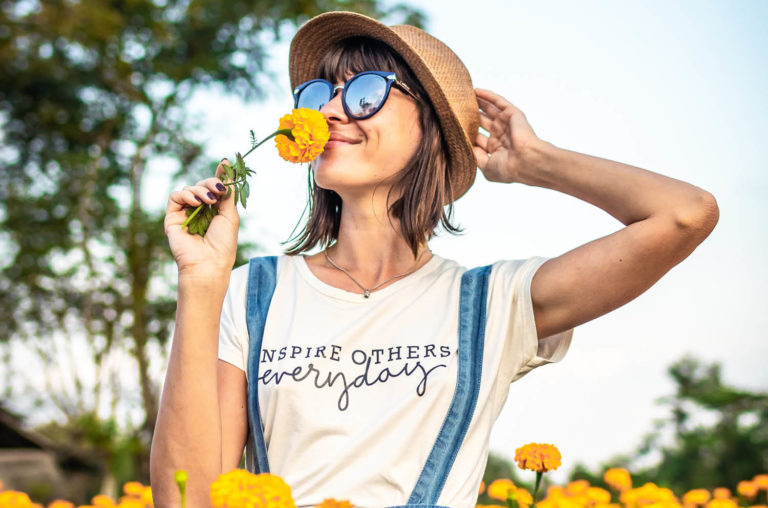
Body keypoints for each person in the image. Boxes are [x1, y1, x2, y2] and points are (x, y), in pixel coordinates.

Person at [150, 10, 719, 508]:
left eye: (365, 92)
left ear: (432, 130)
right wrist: (200, 280)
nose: (328, 114)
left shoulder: (492, 304)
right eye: (318, 96)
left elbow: (685, 214)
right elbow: (187, 500)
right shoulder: (253, 293)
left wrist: (537, 162)